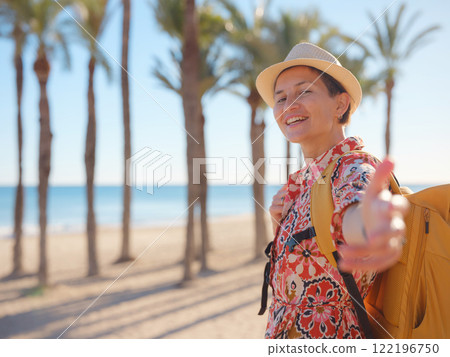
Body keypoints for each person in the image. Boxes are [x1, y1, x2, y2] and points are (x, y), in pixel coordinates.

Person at [255, 42, 409, 339]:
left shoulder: (353, 167)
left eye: (304, 91)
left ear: (340, 104)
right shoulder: (304, 182)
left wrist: (368, 226)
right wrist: (280, 226)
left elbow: (354, 212)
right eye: (281, 97)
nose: (289, 106)